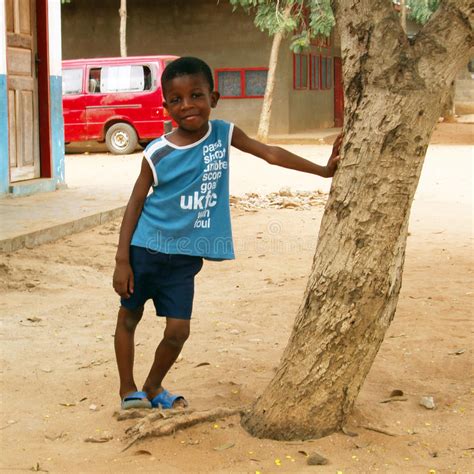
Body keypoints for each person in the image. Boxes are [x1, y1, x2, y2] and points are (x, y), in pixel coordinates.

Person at [113, 56, 343, 410]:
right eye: (176, 100)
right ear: (166, 107)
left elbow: (270, 153)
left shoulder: (224, 133)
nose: (187, 105)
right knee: (129, 318)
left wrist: (324, 171)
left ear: (214, 98)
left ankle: (154, 385)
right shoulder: (156, 151)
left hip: (185, 257)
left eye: (196, 95)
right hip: (145, 249)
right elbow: (135, 204)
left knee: (178, 332)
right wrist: (122, 260)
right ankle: (128, 390)